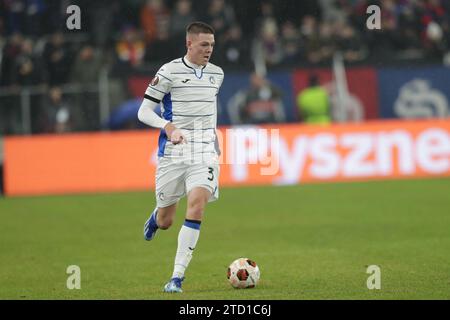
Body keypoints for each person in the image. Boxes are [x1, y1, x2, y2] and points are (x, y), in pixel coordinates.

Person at [137, 21, 224, 293]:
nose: (209, 50)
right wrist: (168, 126)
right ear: (189, 44)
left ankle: (176, 277)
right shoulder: (168, 71)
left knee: (197, 205)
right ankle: (156, 216)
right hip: (173, 153)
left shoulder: (217, 74)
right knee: (166, 221)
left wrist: (212, 138)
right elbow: (144, 112)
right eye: (203, 44)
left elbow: (209, 108)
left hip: (204, 151)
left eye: (211, 45)